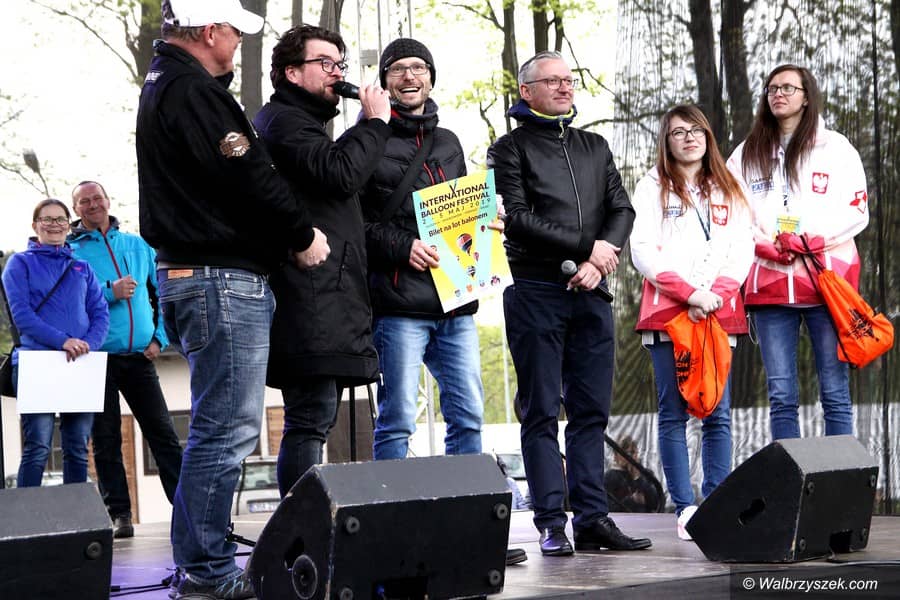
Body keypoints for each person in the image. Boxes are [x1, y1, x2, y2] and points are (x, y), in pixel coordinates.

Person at [136, 2, 329, 598]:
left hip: (194, 274)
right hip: (220, 277)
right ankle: (207, 567)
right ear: (209, 30)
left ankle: (202, 559)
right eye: (233, 33)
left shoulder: (165, 85)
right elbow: (249, 177)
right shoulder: (193, 90)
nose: (238, 44)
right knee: (226, 428)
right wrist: (301, 233)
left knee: (217, 425)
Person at [487, 50, 650, 557]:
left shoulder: (594, 145)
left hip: (591, 291)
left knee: (591, 413)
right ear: (526, 91)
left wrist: (599, 260)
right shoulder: (507, 149)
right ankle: (552, 524)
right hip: (535, 291)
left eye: (569, 80)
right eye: (552, 81)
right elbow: (516, 218)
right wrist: (587, 249)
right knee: (540, 412)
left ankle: (593, 520)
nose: (564, 87)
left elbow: (622, 209)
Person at [253, 25, 391, 497]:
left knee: (317, 416)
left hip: (327, 294)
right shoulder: (284, 122)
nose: (337, 73)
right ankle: (299, 526)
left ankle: (306, 522)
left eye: (340, 64)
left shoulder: (302, 123)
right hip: (307, 294)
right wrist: (374, 124)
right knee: (310, 417)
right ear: (292, 72)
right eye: (325, 63)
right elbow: (339, 173)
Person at [630, 104, 754, 539]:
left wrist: (715, 293)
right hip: (669, 313)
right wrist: (689, 294)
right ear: (666, 142)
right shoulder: (651, 185)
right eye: (679, 132)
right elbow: (642, 249)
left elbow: (742, 246)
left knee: (717, 413)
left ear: (708, 137)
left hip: (719, 311)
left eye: (696, 130)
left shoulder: (729, 185)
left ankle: (716, 501)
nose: (689, 138)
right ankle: (685, 508)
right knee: (673, 413)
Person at [726, 65, 869, 441]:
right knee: (781, 396)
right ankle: (788, 476)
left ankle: (840, 474)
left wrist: (811, 241)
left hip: (827, 284)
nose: (778, 94)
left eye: (788, 88)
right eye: (772, 88)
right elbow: (731, 212)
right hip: (770, 286)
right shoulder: (746, 153)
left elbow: (857, 210)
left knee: (835, 392)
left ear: (807, 97)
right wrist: (762, 244)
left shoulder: (836, 148)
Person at [362, 38, 484, 462]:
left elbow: (463, 216)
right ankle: (392, 503)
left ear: (431, 78)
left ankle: (468, 498)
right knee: (397, 419)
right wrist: (402, 247)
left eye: (418, 67)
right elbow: (352, 227)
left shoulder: (449, 142)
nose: (409, 76)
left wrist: (486, 222)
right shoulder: (366, 140)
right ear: (385, 82)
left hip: (455, 299)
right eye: (398, 69)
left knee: (469, 416)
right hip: (398, 304)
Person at [68, 180, 184, 539]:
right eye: (84, 201)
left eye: (97, 198)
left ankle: (186, 509)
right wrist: (109, 292)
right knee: (105, 441)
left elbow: (162, 291)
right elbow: (70, 302)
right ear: (76, 210)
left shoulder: (136, 244)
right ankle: (119, 514)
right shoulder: (71, 252)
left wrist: (160, 338)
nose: (92, 205)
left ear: (108, 200)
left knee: (163, 434)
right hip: (95, 360)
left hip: (139, 357)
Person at [2, 199, 109, 488]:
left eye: (61, 219)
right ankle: (28, 514)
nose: (54, 225)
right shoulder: (19, 263)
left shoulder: (82, 267)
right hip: (37, 363)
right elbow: (22, 316)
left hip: (80, 364)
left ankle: (76, 515)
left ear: (68, 225)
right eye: (47, 219)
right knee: (38, 446)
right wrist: (63, 341)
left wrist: (88, 345)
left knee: (77, 448)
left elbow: (100, 312)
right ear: (35, 225)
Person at [603, 437, 659, 514]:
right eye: (625, 452)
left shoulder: (647, 474)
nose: (629, 456)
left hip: (645, 518)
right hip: (622, 519)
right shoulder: (610, 476)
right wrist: (631, 500)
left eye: (632, 452)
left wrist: (638, 477)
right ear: (616, 456)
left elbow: (656, 503)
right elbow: (607, 507)